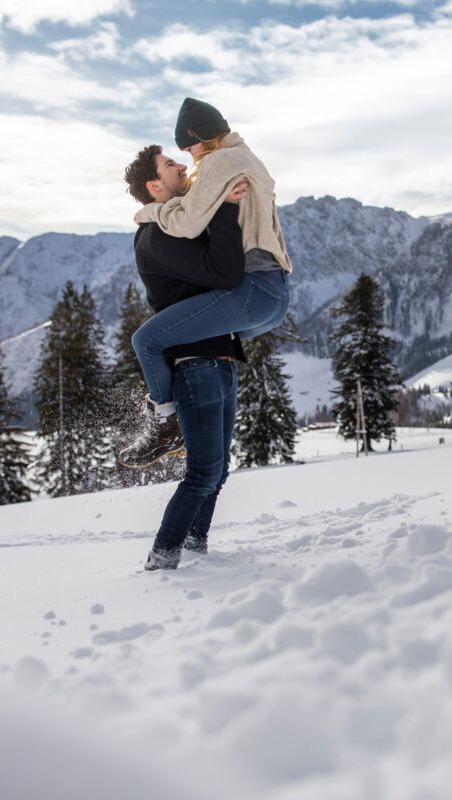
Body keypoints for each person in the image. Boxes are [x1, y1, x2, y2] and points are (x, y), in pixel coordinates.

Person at [119, 97, 293, 467]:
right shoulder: (244, 156)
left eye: (187, 146)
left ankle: (166, 422)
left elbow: (187, 222)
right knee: (182, 340)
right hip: (274, 294)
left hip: (255, 291)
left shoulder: (218, 163)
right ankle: (172, 417)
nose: (187, 158)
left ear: (200, 138)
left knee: (146, 340)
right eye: (174, 159)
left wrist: (148, 212)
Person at [123, 144, 249, 570]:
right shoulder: (157, 235)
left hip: (220, 361)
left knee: (219, 470)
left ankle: (196, 549)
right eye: (170, 164)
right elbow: (224, 273)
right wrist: (228, 212)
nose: (181, 164)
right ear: (155, 186)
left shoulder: (178, 225)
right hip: (196, 366)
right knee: (202, 473)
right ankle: (162, 558)